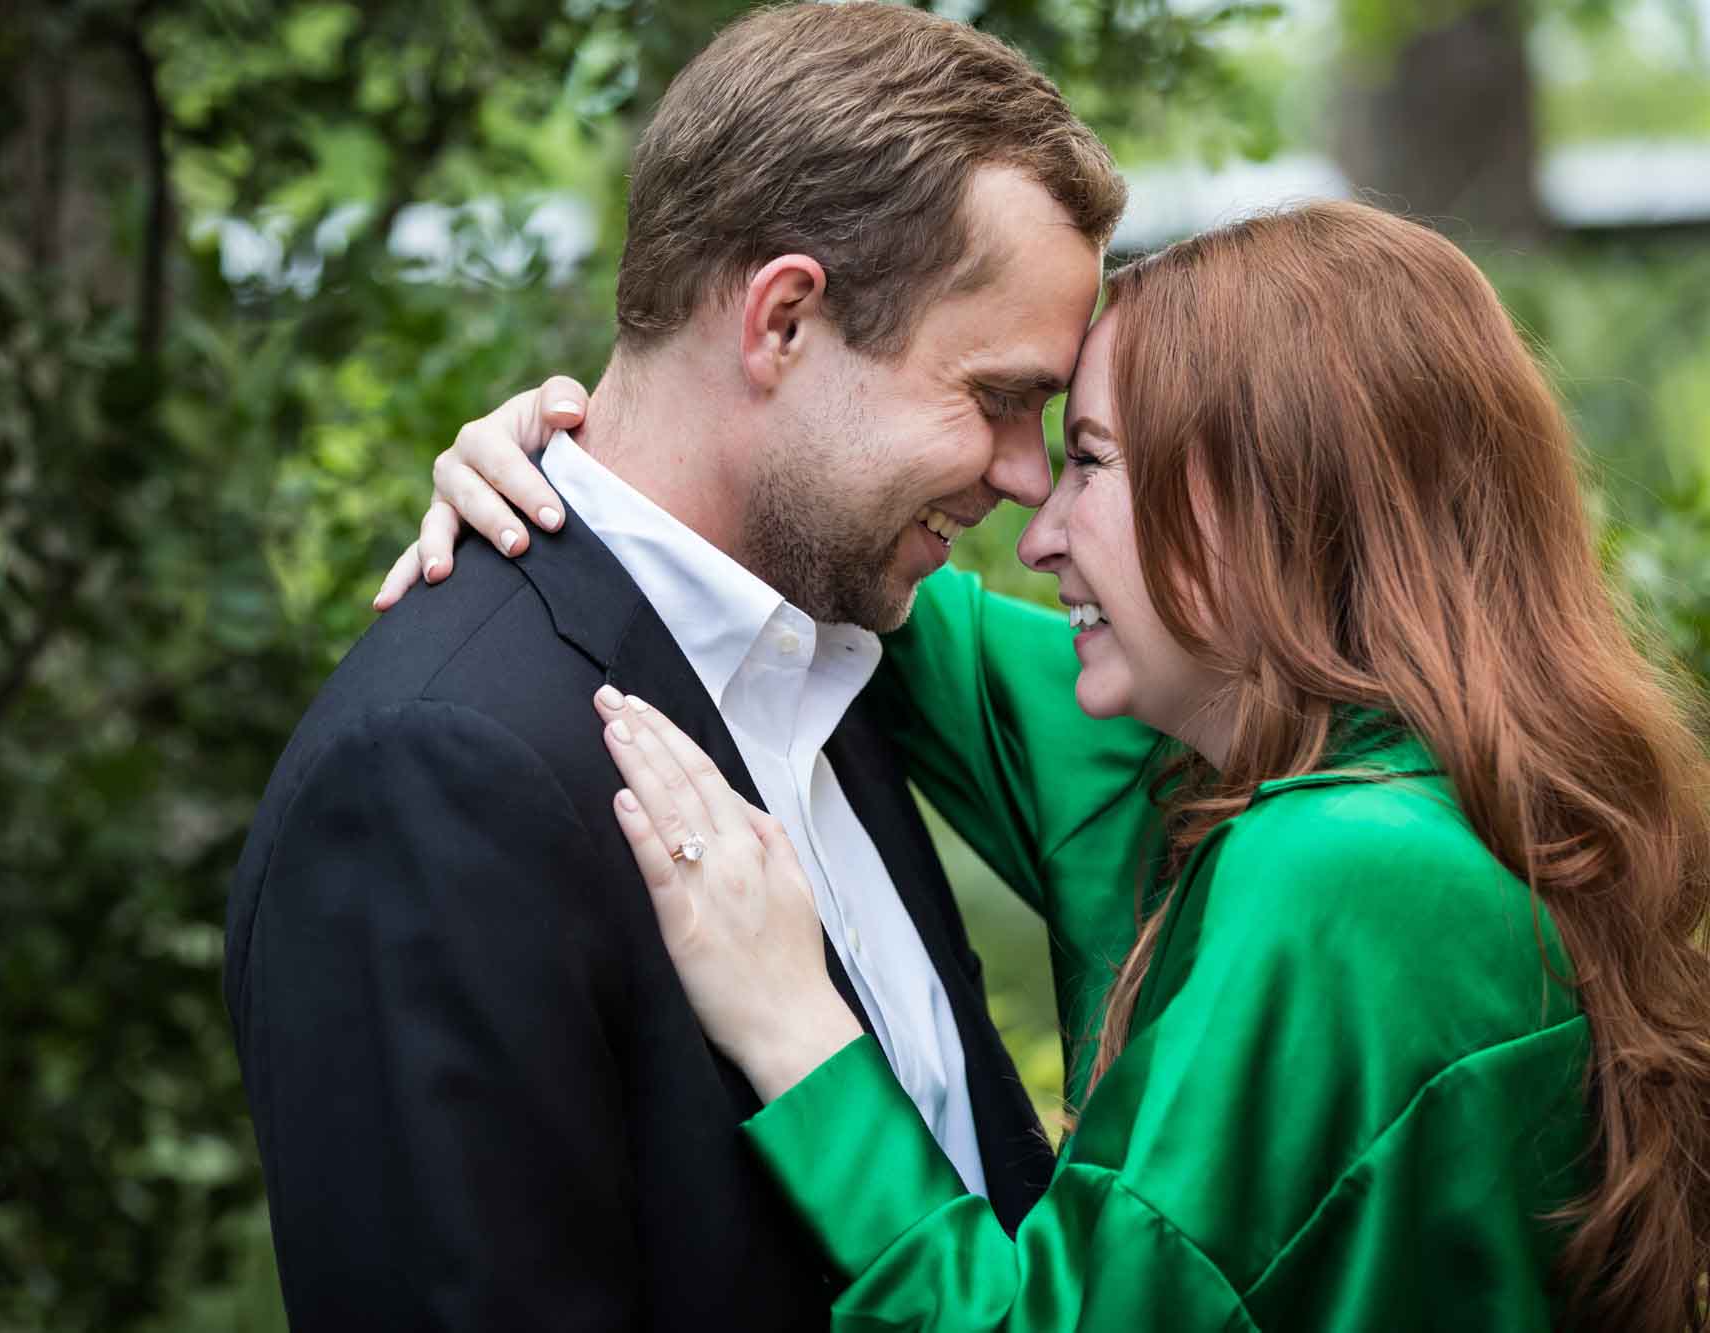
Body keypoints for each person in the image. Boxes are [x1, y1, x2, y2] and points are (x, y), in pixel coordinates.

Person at [384, 201, 1710, 1329]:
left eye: (1089, 460)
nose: (1037, 530)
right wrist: (584, 461)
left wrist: (798, 1027)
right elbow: (807, 533)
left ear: (1269, 502)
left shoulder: (1340, 881)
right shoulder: (1288, 759)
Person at [226, 5, 1165, 1329]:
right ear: (782, 321)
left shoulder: (842, 647)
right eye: (998, 397)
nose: (1026, 477)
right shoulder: (437, 774)